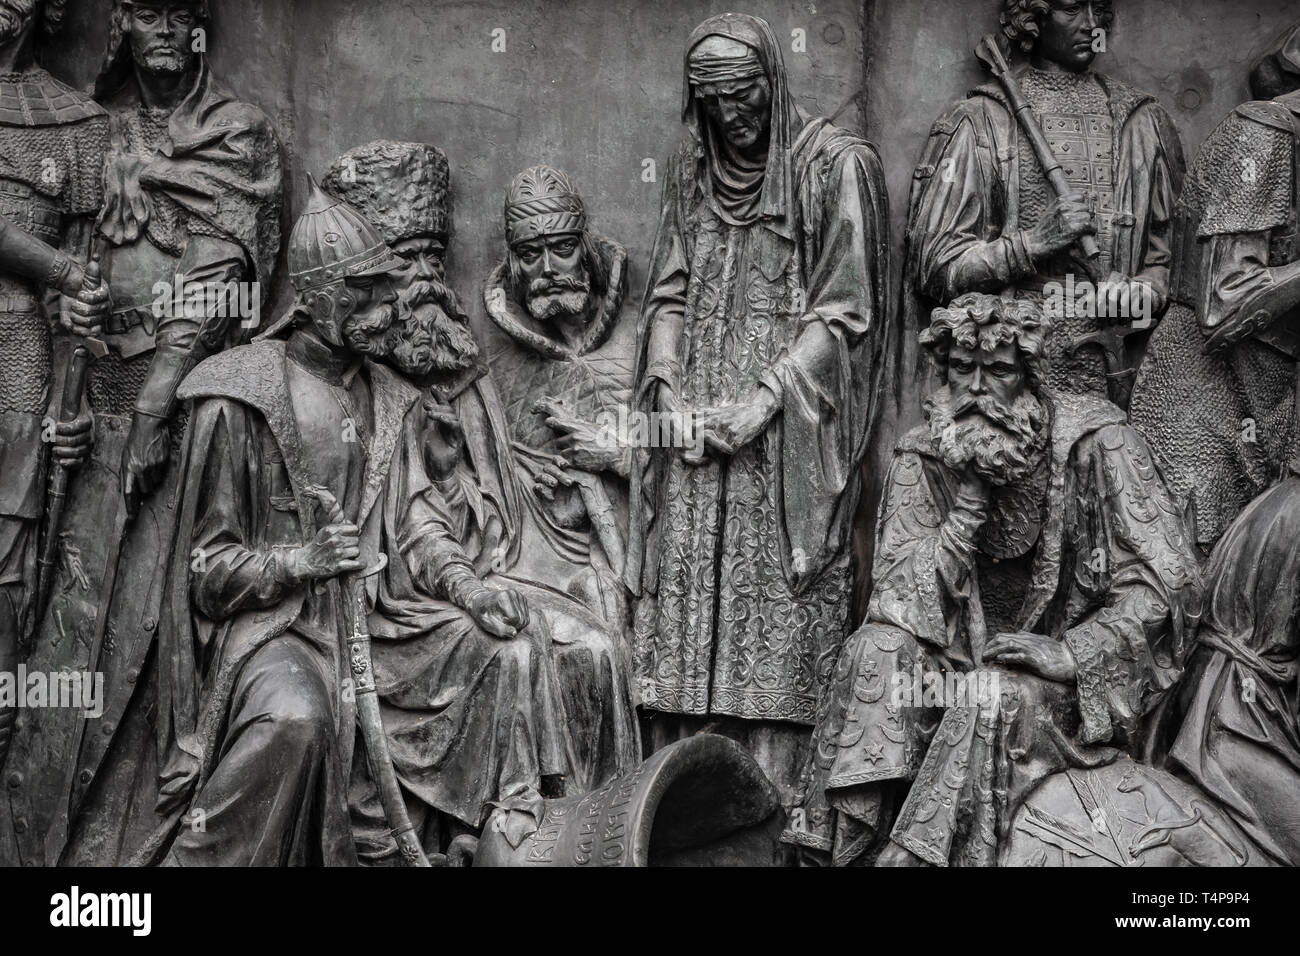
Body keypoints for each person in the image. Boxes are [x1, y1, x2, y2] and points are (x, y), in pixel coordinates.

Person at [785, 292, 1201, 866]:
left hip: (1057, 694)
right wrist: (966, 508)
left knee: (988, 695)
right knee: (873, 650)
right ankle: (838, 857)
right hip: (947, 670)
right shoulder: (922, 453)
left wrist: (1072, 654)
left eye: (999, 370)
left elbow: (1168, 584)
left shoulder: (1099, 443)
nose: (978, 388)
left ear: (1028, 376)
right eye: (962, 369)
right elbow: (895, 597)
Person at [628, 12, 892, 805]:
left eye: (743, 96)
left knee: (778, 629)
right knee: (685, 634)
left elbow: (845, 313)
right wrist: (668, 388)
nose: (731, 115)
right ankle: (675, 810)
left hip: (785, 442)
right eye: (712, 101)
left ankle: (779, 815)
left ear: (772, 83)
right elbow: (668, 291)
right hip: (696, 434)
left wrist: (765, 400)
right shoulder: (688, 170)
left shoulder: (836, 166)